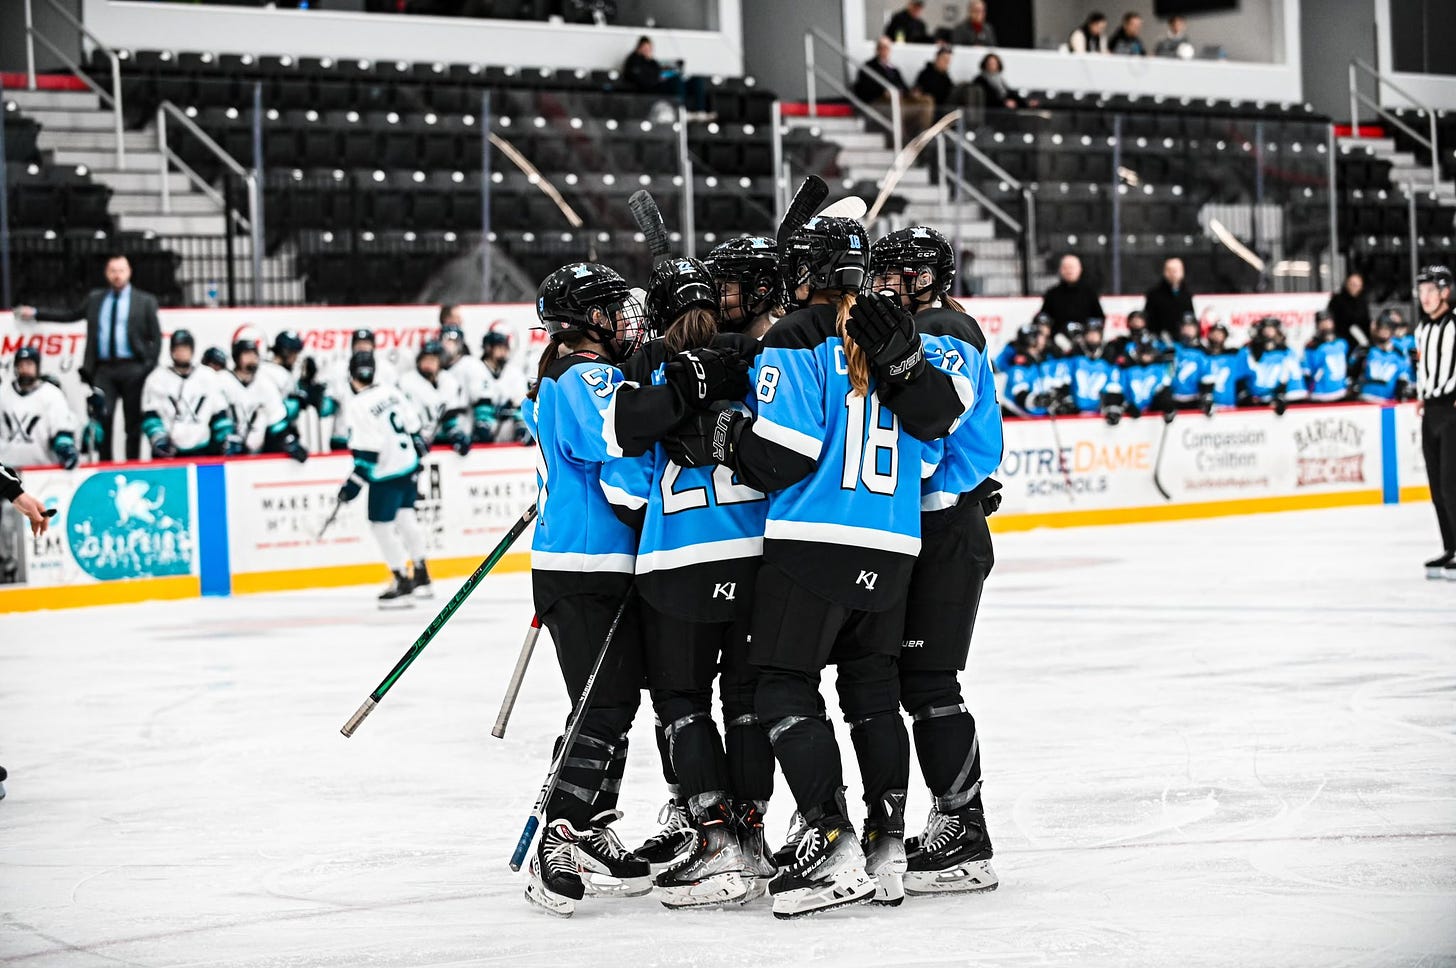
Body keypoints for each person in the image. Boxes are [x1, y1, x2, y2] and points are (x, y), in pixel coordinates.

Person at [663, 216, 959, 918]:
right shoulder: (890, 331)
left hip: (817, 541)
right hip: (894, 545)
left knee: (779, 685)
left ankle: (828, 838)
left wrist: (723, 437)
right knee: (872, 692)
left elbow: (783, 458)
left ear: (805, 271)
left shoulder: (797, 334)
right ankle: (887, 844)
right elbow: (937, 428)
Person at [600, 257, 769, 907]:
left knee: (682, 702)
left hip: (681, 562)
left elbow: (625, 487)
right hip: (757, 558)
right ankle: (753, 840)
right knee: (747, 702)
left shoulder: (646, 376)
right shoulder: (751, 360)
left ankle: (716, 841)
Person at [865, 226, 1002, 896]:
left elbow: (934, 421)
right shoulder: (911, 328)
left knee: (929, 685)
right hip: (923, 529)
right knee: (903, 684)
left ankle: (965, 829)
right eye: (883, 274)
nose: (891, 286)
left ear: (935, 278)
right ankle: (952, 819)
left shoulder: (945, 328)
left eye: (906, 275)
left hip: (945, 529)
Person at [520, 263, 657, 917]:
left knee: (612, 701)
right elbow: (624, 479)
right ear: (585, 321)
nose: (623, 318)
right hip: (585, 566)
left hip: (585, 563)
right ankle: (561, 831)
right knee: (602, 706)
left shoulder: (561, 373)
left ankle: (594, 820)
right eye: (611, 309)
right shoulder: (586, 375)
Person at [17, 254, 162, 462]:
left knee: (134, 424)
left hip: (134, 369)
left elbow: (155, 339)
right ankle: (104, 467)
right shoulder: (96, 299)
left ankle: (133, 465)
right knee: (102, 420)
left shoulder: (145, 301)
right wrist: (37, 313)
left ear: (129, 272)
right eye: (113, 271)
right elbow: (69, 315)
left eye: (121, 270)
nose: (117, 275)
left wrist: (147, 367)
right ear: (107, 273)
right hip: (103, 370)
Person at [334, 350, 433, 605]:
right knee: (405, 517)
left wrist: (352, 485)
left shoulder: (357, 405)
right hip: (408, 465)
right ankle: (422, 574)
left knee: (381, 526)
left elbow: (369, 452)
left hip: (386, 473)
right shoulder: (391, 392)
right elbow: (414, 429)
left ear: (351, 375)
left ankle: (401, 578)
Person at [1413, 265, 1456, 580]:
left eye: (1430, 290)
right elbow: (1423, 369)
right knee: (1437, 488)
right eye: (1421, 290)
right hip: (1431, 412)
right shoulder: (1422, 329)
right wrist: (1421, 394)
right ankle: (1450, 547)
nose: (1424, 297)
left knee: (1451, 484)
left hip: (1453, 411)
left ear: (1445, 292)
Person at [141, 330, 236, 458]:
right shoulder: (157, 378)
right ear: (171, 351)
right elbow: (150, 415)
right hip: (169, 451)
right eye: (178, 348)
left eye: (185, 348)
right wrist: (158, 437)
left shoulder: (208, 376)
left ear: (192, 350)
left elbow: (220, 413)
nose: (182, 353)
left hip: (202, 449)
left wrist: (225, 437)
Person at [217, 339, 309, 460]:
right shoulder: (223, 380)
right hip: (226, 446)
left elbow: (276, 418)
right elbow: (216, 415)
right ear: (236, 357)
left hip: (257, 446)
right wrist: (225, 436)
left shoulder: (265, 383)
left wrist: (288, 440)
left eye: (254, 355)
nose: (252, 358)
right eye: (247, 355)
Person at [0, 347, 79, 470]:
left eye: (29, 364)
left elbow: (61, 428)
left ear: (37, 367)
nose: (25, 369)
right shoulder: (2, 393)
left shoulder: (52, 394)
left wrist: (65, 447)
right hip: (6, 471)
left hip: (41, 471)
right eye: (21, 365)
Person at [324, 329, 396, 451]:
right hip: (344, 436)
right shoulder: (338, 369)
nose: (362, 347)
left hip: (376, 437)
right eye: (358, 344)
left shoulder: (386, 369)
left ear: (373, 346)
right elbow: (326, 409)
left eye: (366, 343)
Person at [853, 37, 936, 143]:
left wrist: (913, 93)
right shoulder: (868, 67)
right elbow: (863, 90)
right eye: (881, 48)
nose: (884, 51)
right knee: (896, 102)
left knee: (927, 100)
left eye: (886, 48)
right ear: (877, 50)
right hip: (880, 103)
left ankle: (923, 139)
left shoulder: (893, 69)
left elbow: (903, 87)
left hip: (899, 101)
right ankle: (902, 142)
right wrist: (883, 93)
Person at [398, 340, 471, 457]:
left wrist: (455, 434)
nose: (428, 364)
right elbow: (401, 418)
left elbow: (449, 416)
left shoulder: (448, 381)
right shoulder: (406, 382)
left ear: (440, 362)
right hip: (410, 442)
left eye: (432, 360)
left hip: (433, 441)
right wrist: (414, 437)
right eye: (425, 359)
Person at [705, 235, 783, 339]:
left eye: (724, 290)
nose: (718, 301)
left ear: (761, 290)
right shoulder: (717, 339)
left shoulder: (784, 341)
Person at [437, 322, 493, 443]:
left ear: (460, 344)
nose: (448, 345)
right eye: (445, 340)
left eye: (452, 341)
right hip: (441, 435)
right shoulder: (436, 368)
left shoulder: (471, 364)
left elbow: (483, 398)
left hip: (466, 436)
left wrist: (482, 427)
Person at [1238, 318, 1305, 414]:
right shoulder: (1248, 351)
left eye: (1271, 329)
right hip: (1258, 402)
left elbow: (1292, 378)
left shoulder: (1286, 352)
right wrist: (1245, 395)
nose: (1268, 333)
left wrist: (1281, 396)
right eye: (1265, 329)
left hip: (1282, 401)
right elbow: (1241, 377)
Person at [622, 36, 705, 111]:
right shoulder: (633, 60)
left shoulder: (652, 61)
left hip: (660, 81)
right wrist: (658, 79)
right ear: (639, 48)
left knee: (696, 80)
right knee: (676, 82)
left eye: (649, 48)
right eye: (645, 48)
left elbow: (659, 72)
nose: (648, 50)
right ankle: (681, 109)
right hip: (651, 88)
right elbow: (640, 79)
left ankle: (700, 110)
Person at [480, 330, 532, 443]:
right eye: (499, 347)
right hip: (480, 437)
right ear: (489, 348)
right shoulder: (476, 369)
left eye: (505, 348)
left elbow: (520, 403)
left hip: (509, 437)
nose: (504, 352)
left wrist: (522, 427)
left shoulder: (514, 373)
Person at [1350, 313, 1414, 403]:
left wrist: (1402, 392)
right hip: (1365, 399)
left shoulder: (1399, 354)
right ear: (1376, 330)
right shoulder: (1366, 350)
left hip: (1388, 401)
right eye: (1381, 328)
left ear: (1392, 331)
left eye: (1387, 328)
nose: (1384, 332)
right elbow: (1352, 372)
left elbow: (1405, 377)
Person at [1039, 255, 1106, 337]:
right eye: (1065, 268)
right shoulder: (1052, 294)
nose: (1069, 271)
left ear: (1080, 269)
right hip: (1057, 340)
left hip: (1083, 341)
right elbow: (1044, 317)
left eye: (1072, 267)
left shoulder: (1089, 293)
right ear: (1060, 270)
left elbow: (1099, 318)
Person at [1304, 311, 1353, 403]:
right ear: (1317, 325)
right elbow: (1307, 371)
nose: (1326, 324)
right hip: (1319, 394)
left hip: (1340, 392)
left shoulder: (1342, 343)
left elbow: (1347, 366)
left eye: (1328, 321)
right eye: (1322, 322)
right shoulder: (1312, 346)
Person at [1142, 257, 1195, 342]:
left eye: (1176, 270)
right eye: (1170, 270)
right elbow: (1149, 320)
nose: (1173, 274)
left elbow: (1190, 317)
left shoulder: (1186, 294)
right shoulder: (1154, 295)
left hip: (1182, 341)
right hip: (1160, 341)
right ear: (1165, 272)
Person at [1199, 321, 1243, 413]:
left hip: (1229, 405)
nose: (1216, 336)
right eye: (1214, 333)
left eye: (1220, 333)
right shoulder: (1202, 356)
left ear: (1225, 336)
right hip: (1207, 407)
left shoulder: (1233, 356)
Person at [1168, 314, 1209, 410]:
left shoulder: (1202, 351)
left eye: (1191, 327)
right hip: (1173, 398)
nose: (1187, 330)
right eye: (1184, 327)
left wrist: (1206, 396)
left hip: (1195, 399)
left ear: (1197, 329)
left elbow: (1206, 374)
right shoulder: (1172, 348)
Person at [1326, 272, 1371, 344]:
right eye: (1352, 284)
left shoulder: (1362, 301)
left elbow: (1366, 320)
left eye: (1357, 285)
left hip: (1361, 336)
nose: (1354, 287)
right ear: (1347, 284)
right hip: (1343, 337)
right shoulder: (1337, 299)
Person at [914, 46, 956, 116]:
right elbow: (919, 91)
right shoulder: (925, 74)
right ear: (937, 58)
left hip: (945, 105)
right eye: (945, 60)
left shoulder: (946, 77)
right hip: (932, 107)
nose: (947, 63)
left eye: (948, 61)